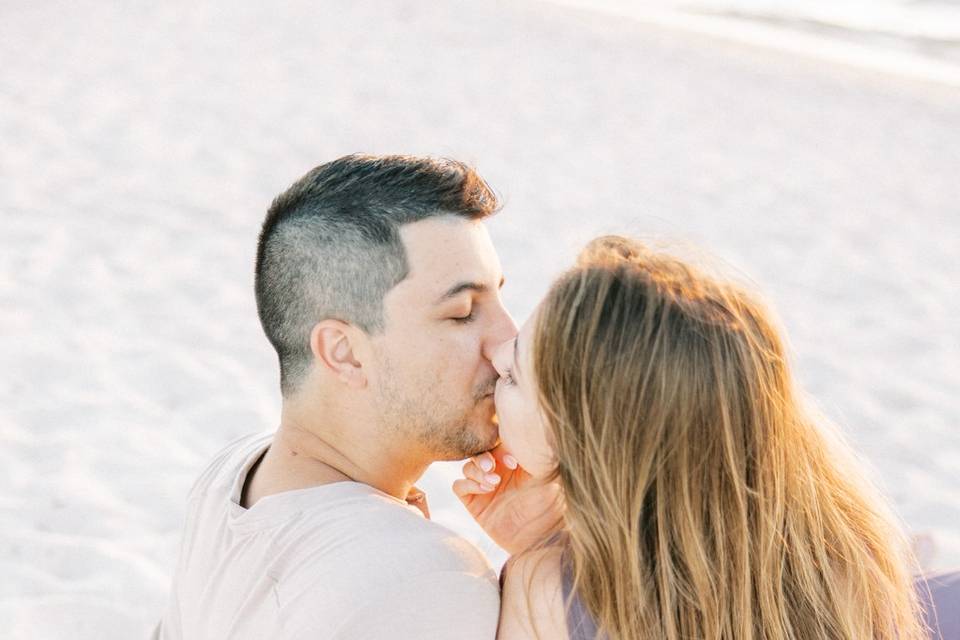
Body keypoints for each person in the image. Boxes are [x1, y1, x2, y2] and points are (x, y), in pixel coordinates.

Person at [456, 235, 930, 640]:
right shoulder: (845, 553)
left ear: (582, 440)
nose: (496, 357)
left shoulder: (546, 595)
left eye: (515, 374)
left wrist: (539, 553)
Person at [154, 154, 518, 639]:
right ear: (344, 353)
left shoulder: (233, 477)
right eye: (462, 312)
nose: (509, 341)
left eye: (498, 296)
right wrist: (547, 554)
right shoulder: (423, 578)